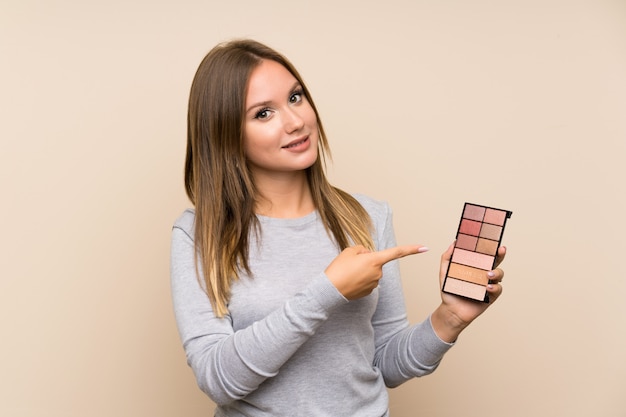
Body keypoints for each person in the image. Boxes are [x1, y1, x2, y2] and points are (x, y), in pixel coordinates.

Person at [170, 39, 506, 416]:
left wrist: (449, 319)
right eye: (263, 113)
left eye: (295, 97)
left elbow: (383, 362)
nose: (296, 121)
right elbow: (218, 379)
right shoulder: (199, 234)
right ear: (225, 134)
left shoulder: (366, 217)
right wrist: (327, 292)